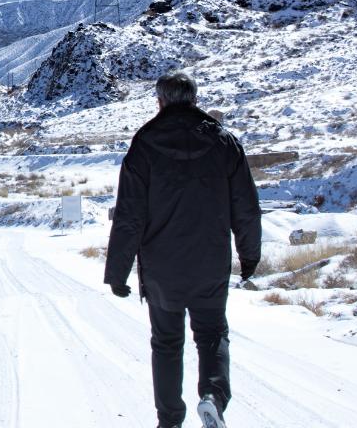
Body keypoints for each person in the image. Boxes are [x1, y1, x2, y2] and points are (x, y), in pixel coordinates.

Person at [104, 71, 261, 428]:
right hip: (209, 261)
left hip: (162, 267)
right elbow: (246, 206)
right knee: (212, 334)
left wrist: (117, 272)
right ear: (194, 99)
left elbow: (129, 214)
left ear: (160, 101)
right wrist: (249, 255)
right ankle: (213, 397)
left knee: (166, 342)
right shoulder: (224, 142)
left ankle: (170, 419)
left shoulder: (143, 143)